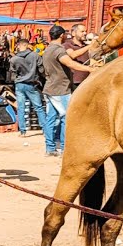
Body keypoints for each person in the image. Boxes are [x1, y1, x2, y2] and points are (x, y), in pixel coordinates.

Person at [41, 25, 95, 156]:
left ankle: (50, 148)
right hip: (60, 89)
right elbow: (70, 63)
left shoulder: (48, 49)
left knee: (51, 118)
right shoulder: (59, 50)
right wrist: (90, 69)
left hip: (50, 87)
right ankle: (65, 148)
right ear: (61, 36)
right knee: (68, 117)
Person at [8, 38, 47, 139]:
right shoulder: (35, 56)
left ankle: (23, 131)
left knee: (21, 108)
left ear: (20, 46)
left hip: (20, 84)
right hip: (32, 84)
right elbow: (42, 69)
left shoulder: (14, 59)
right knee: (38, 107)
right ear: (27, 45)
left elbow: (12, 75)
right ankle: (45, 129)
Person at [66, 24, 94, 92]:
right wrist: (89, 46)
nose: (85, 33)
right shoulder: (67, 44)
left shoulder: (85, 45)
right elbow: (73, 55)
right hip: (75, 82)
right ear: (73, 33)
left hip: (87, 80)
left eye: (85, 31)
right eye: (82, 31)